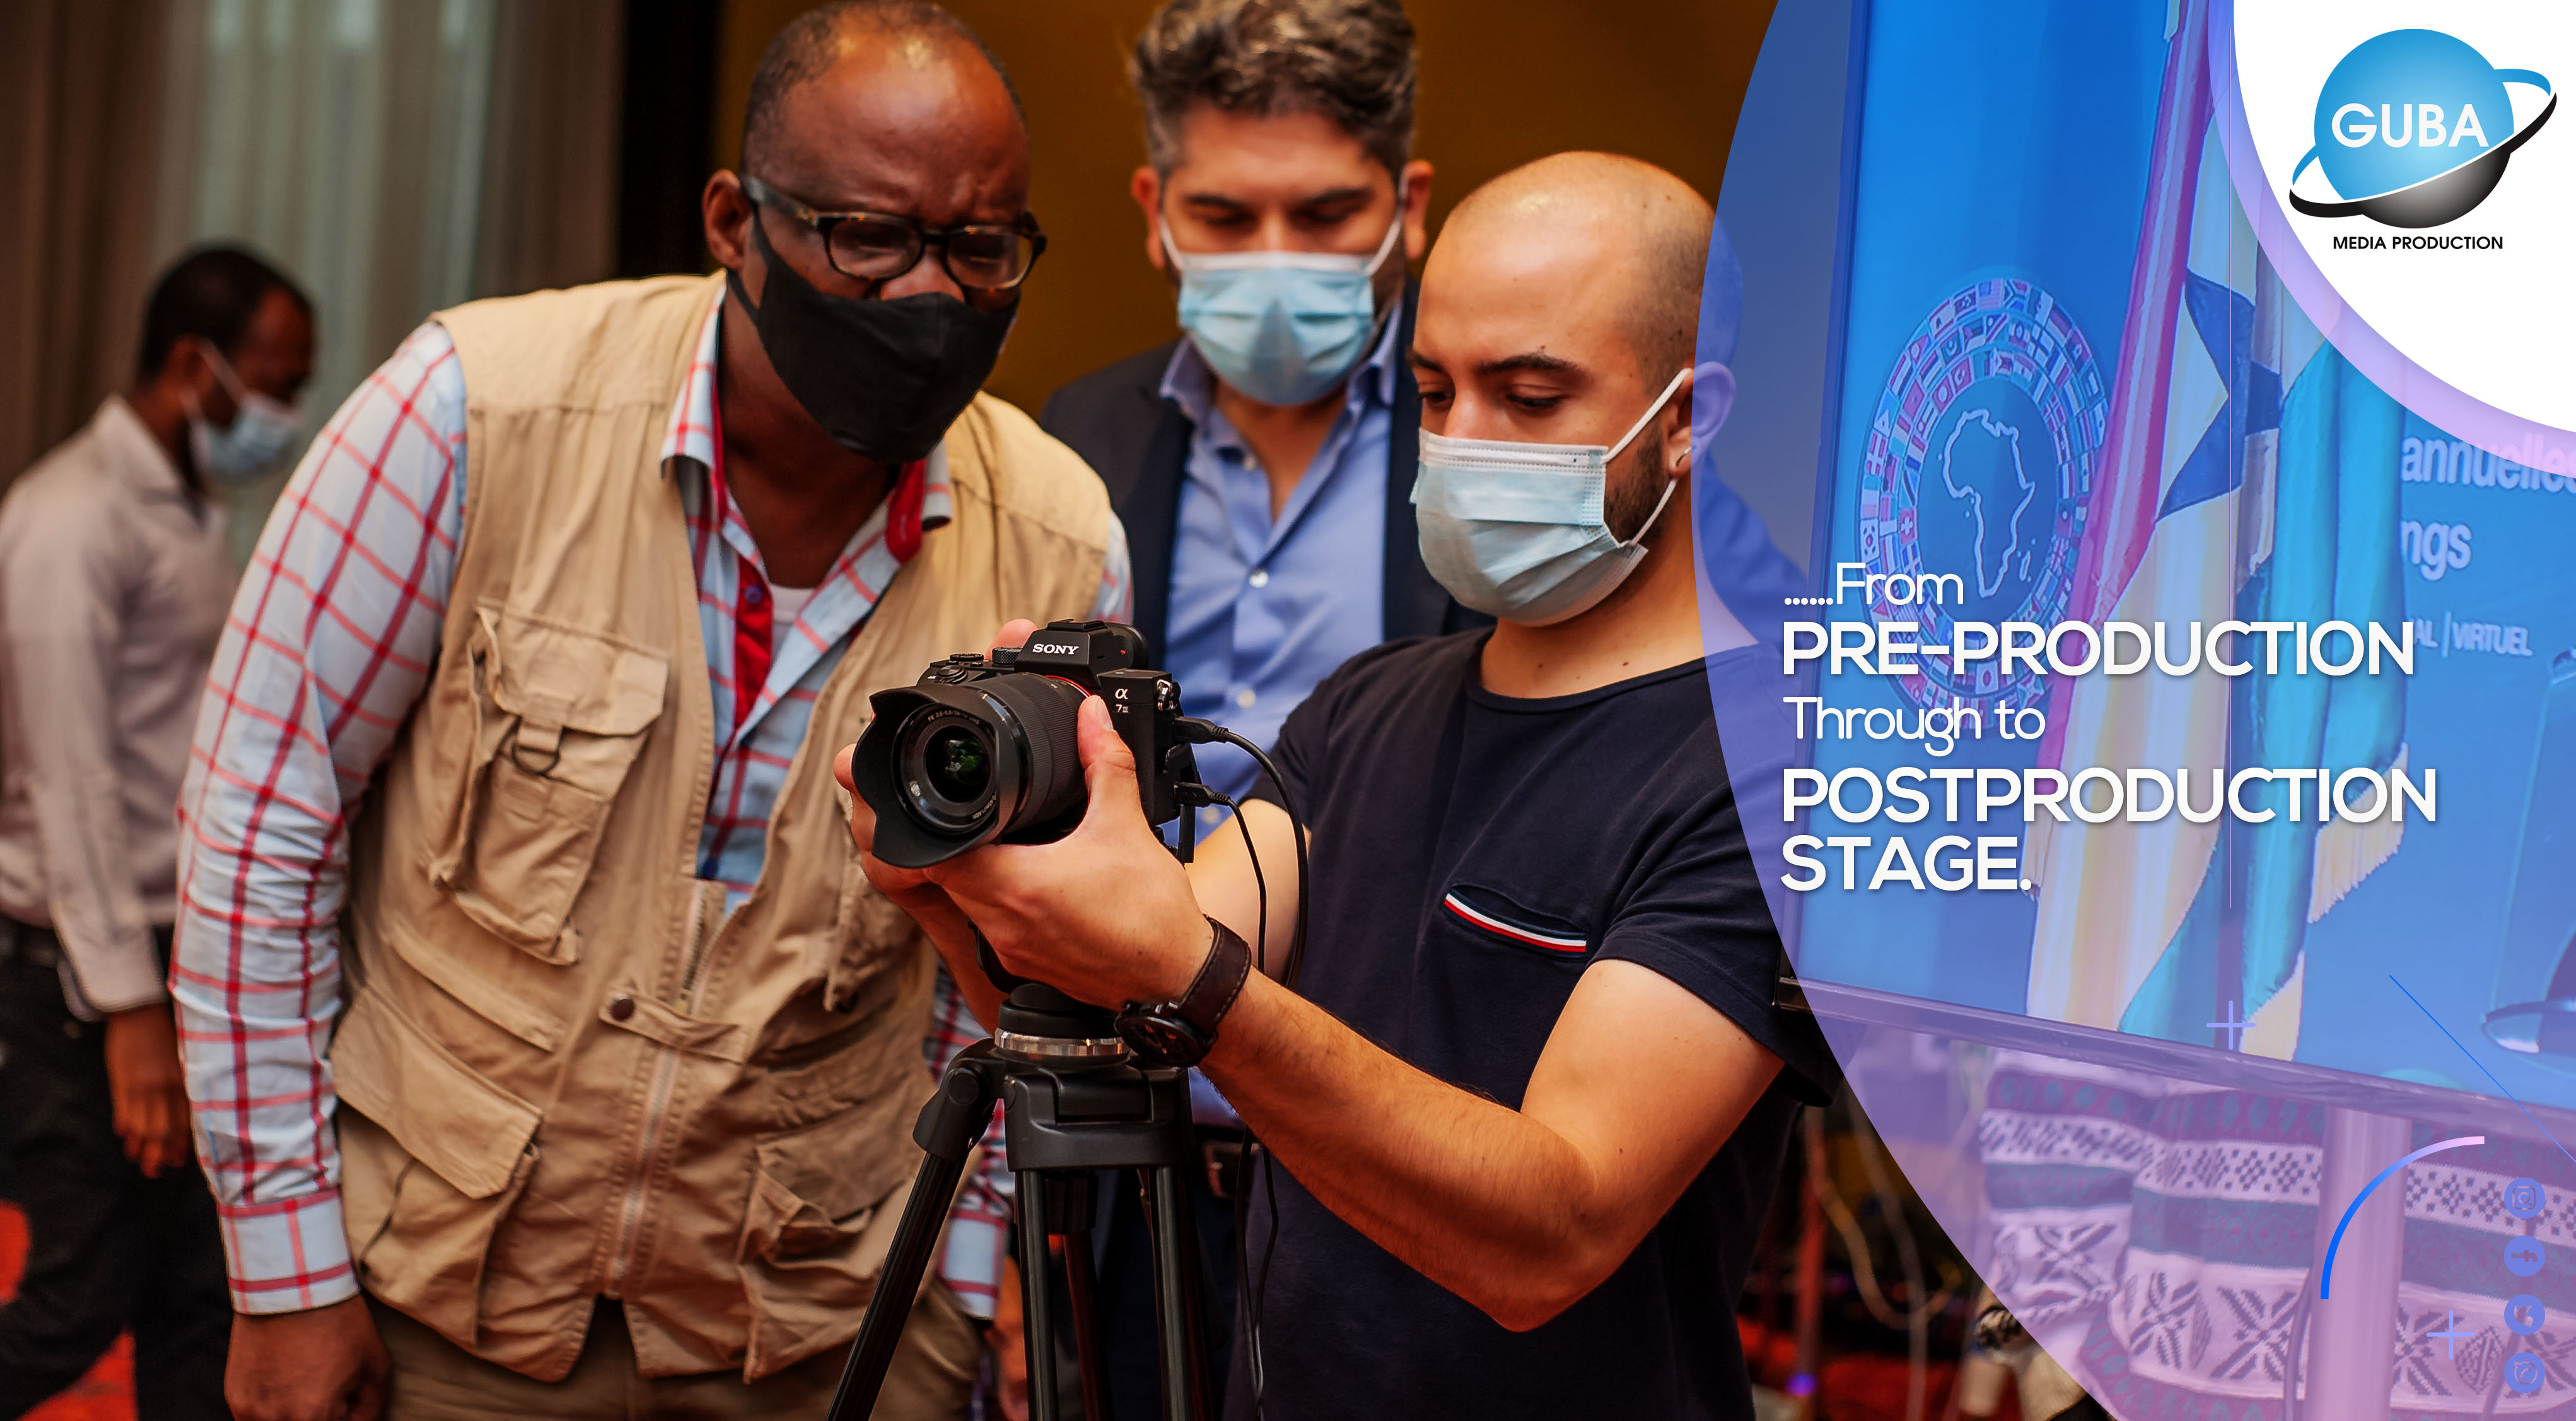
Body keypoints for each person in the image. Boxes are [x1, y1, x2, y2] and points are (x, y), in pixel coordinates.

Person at [175, 5, 1126, 1420]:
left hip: (816, 1325)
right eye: (869, 238)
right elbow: (259, 837)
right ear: (736, 223)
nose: (929, 293)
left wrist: (963, 1288)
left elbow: (1010, 983)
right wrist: (286, 1276)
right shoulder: (471, 414)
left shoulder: (1058, 543)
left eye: (979, 247)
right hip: (432, 1300)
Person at [843, 152, 1838, 1420]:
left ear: (1689, 417)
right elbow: (1121, 1028)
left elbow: (1552, 1233)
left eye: (1530, 397)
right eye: (1434, 391)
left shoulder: (1774, 769)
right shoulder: (1370, 705)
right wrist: (963, 885)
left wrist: (1192, 978)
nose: (1464, 441)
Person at [0, 245, 314, 1419]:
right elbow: (67, 777)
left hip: (175, 958)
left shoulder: (183, 506)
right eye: (276, 385)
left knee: (196, 1291)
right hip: (75, 976)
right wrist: (130, 1006)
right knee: (79, 1294)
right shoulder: (69, 516)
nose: (286, 415)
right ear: (196, 365)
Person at [1040, 0, 1479, 826]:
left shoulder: (1505, 426)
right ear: (1154, 213)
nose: (1275, 258)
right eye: (1224, 219)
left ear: (1409, 207)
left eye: (1325, 215)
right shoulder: (1079, 433)